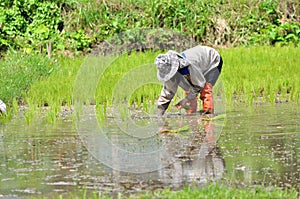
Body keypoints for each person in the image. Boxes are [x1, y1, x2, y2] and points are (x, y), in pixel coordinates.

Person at [154, 45, 223, 116]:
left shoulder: (188, 66)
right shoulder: (169, 71)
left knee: (206, 89)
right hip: (199, 64)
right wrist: (159, 114)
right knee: (189, 91)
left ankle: (208, 115)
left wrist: (186, 100)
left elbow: (199, 85)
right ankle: (191, 116)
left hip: (212, 61)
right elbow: (167, 93)